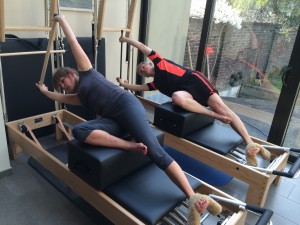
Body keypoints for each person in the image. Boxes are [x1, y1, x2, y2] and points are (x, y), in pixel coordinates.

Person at [35, 15, 222, 215]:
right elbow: (61, 99)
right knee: (80, 131)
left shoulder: (86, 72)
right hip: (114, 120)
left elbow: (72, 42)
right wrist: (45, 92)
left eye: (63, 82)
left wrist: (61, 20)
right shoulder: (80, 96)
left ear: (71, 74)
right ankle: (130, 146)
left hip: (126, 106)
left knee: (156, 152)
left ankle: (191, 196)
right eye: (61, 86)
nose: (63, 87)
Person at [116, 36, 271, 167]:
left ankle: (249, 143)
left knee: (223, 109)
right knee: (177, 97)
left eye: (143, 67)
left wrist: (126, 39)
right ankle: (213, 115)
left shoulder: (160, 62)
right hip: (185, 93)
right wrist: (123, 84)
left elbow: (142, 46)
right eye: (141, 72)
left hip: (194, 81)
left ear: (149, 64)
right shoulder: (156, 84)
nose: (142, 70)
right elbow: (136, 87)